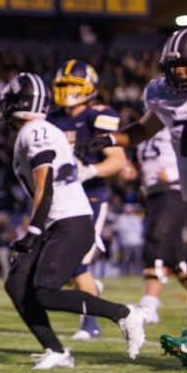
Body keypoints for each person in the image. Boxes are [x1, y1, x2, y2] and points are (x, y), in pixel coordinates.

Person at [79, 27, 187, 369]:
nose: (180, 73)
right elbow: (146, 128)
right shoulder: (163, 94)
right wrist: (112, 140)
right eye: (174, 66)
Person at [0, 72, 144, 369]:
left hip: (69, 221)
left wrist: (32, 230)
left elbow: (44, 185)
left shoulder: (33, 131)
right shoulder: (40, 129)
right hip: (58, 221)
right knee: (16, 283)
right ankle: (55, 350)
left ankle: (125, 313)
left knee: (45, 292)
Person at [48, 60, 127, 340]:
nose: (68, 90)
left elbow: (118, 159)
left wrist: (90, 170)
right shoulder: (52, 118)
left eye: (73, 85)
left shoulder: (99, 116)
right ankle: (92, 291)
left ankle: (91, 324)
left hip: (91, 195)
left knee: (76, 262)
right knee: (61, 265)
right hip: (61, 198)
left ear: (89, 88)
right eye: (64, 85)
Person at [130, 128, 187, 324]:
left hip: (174, 191)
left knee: (156, 240)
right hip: (154, 193)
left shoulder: (179, 125)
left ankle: (150, 303)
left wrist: (174, 173)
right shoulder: (149, 127)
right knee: (174, 254)